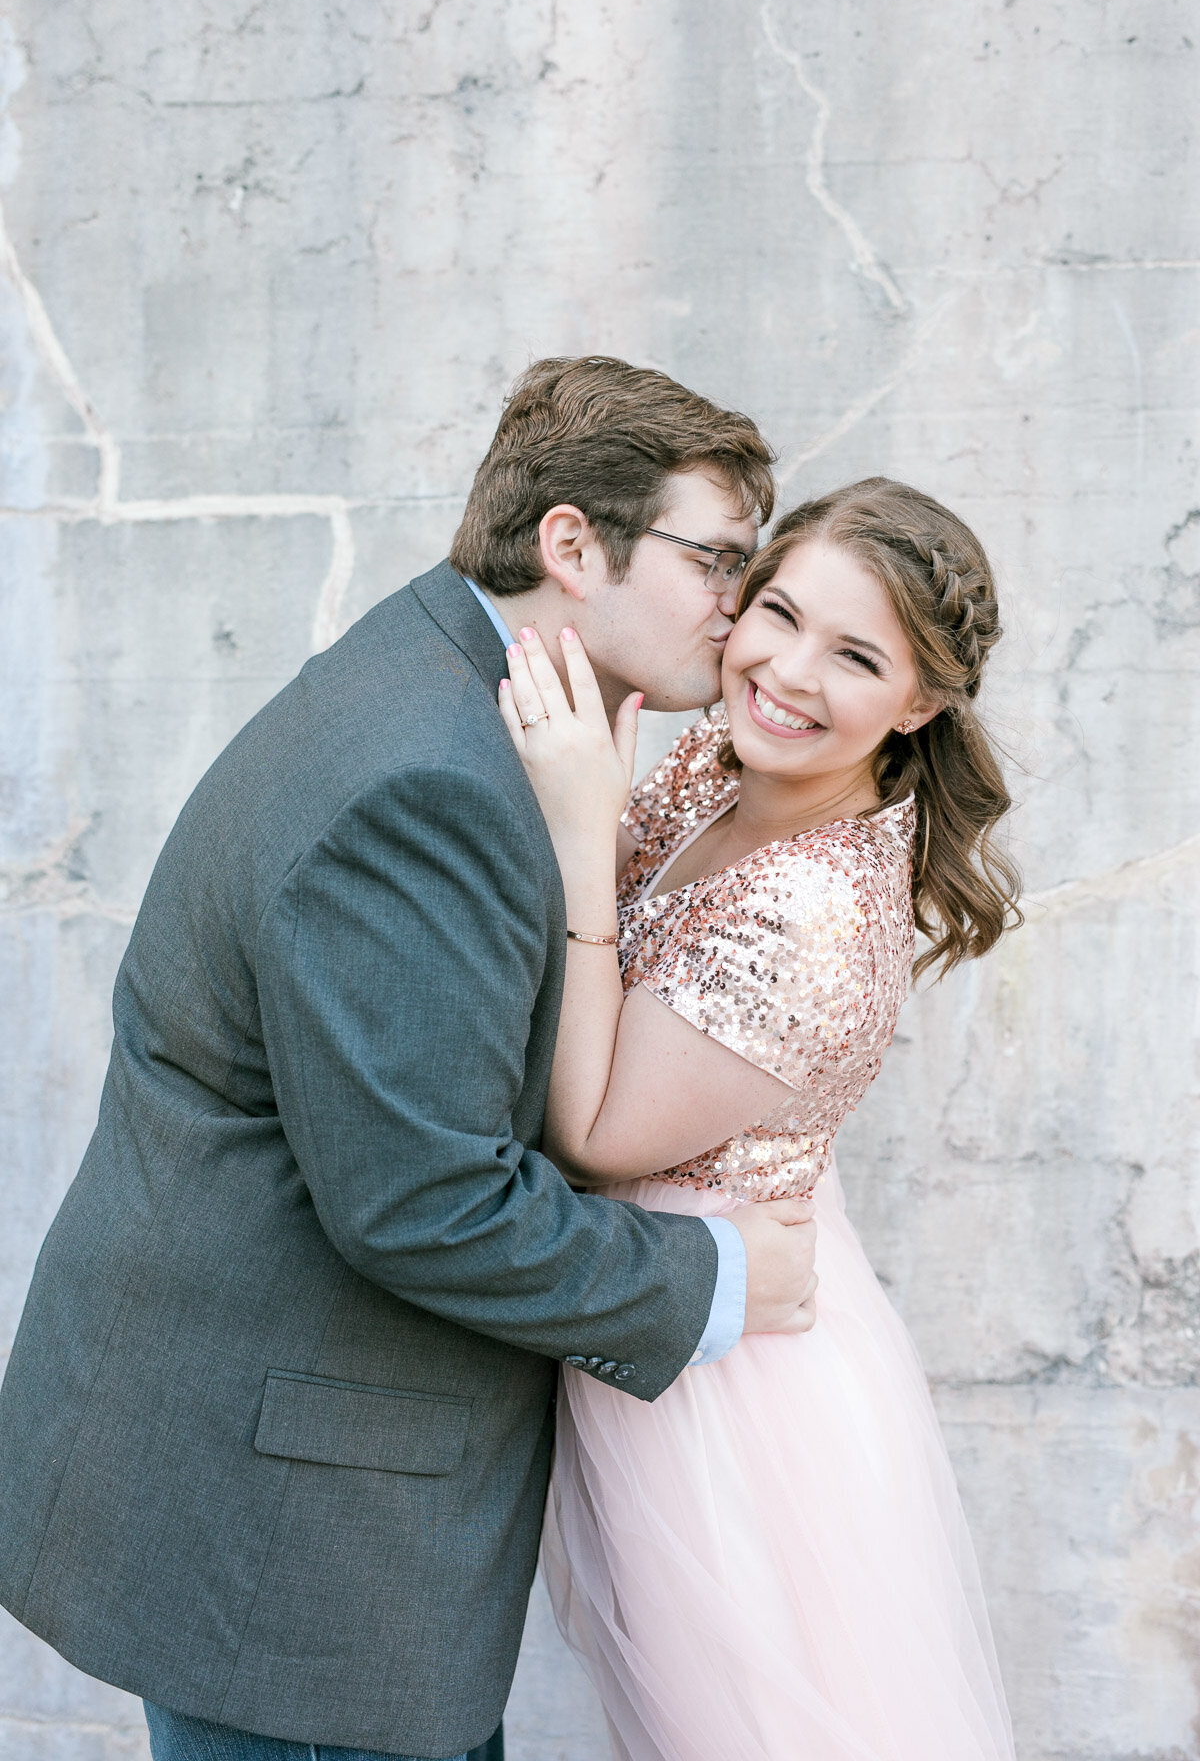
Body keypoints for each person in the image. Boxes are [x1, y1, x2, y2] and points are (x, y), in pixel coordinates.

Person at [0, 357, 823, 1761]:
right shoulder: (431, 779)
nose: (743, 610)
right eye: (718, 560)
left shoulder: (451, 687)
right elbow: (424, 1204)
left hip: (249, 1452)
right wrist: (728, 1274)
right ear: (573, 544)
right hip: (294, 1538)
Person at [498, 476, 1023, 1761]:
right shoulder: (717, 770)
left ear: (923, 703)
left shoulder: (824, 914)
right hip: (662, 1314)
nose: (784, 672)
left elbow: (601, 1132)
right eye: (776, 612)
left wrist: (579, 831)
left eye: (854, 655)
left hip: (740, 1389)